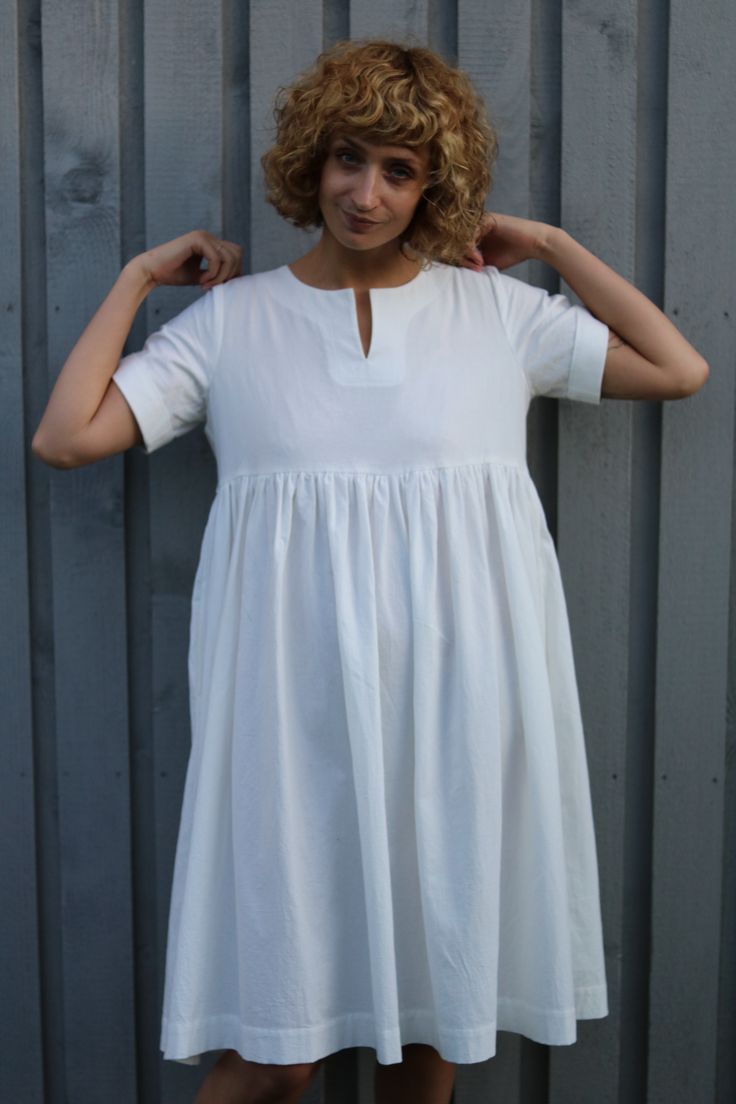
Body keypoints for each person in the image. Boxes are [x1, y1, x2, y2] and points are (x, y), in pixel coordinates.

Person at [32, 37, 708, 1104]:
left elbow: (678, 367)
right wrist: (135, 279)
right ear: (311, 161)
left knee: (436, 1024)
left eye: (400, 169)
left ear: (432, 182)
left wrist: (549, 242)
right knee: (279, 1051)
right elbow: (66, 435)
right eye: (349, 158)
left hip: (460, 710)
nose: (366, 191)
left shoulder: (498, 318)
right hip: (290, 720)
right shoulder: (232, 325)